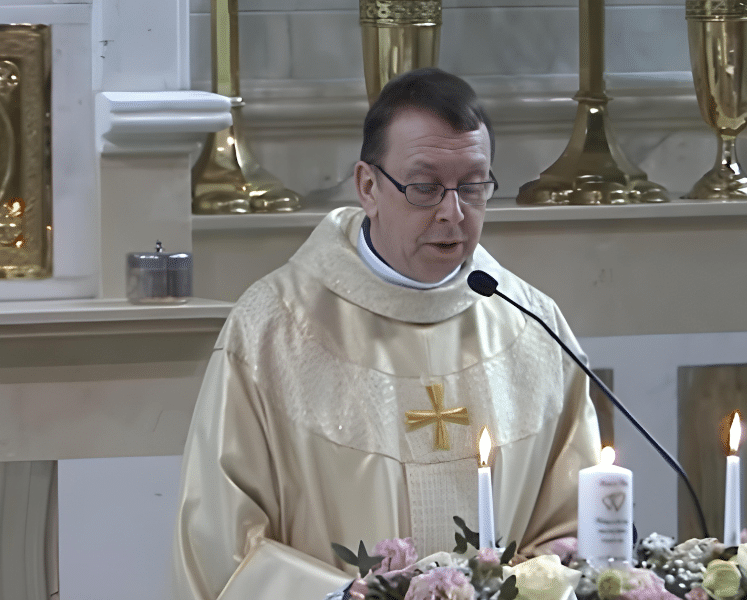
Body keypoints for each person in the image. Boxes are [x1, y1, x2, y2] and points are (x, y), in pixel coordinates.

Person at [173, 68, 602, 600]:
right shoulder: (272, 329)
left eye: (473, 187)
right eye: (424, 188)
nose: (453, 212)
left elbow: (574, 527)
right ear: (368, 186)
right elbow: (221, 540)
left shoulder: (533, 327)